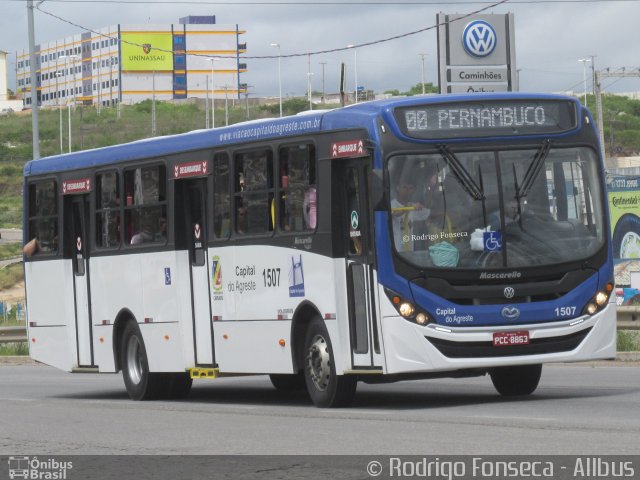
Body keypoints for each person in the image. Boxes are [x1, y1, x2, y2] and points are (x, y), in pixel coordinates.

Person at [391, 179, 430, 252]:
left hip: (409, 250)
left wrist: (445, 213)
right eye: (404, 187)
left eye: (411, 188)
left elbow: (429, 213)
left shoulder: (413, 206)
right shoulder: (392, 204)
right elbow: (396, 213)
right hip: (396, 251)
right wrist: (408, 206)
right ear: (397, 188)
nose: (408, 190)